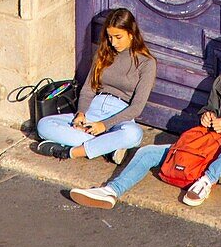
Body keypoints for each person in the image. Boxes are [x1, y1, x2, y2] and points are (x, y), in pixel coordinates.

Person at [69, 33, 221, 209]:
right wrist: (207, 116)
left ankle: (206, 182)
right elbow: (210, 109)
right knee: (146, 152)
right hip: (210, 148)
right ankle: (111, 191)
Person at [35, 8, 156, 164]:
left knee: (134, 134)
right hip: (94, 109)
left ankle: (72, 151)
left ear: (131, 34)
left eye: (118, 37)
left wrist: (104, 126)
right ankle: (108, 148)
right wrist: (80, 114)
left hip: (120, 115)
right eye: (109, 37)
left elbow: (137, 107)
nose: (113, 43)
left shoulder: (147, 63)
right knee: (44, 125)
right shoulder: (103, 53)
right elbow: (88, 89)